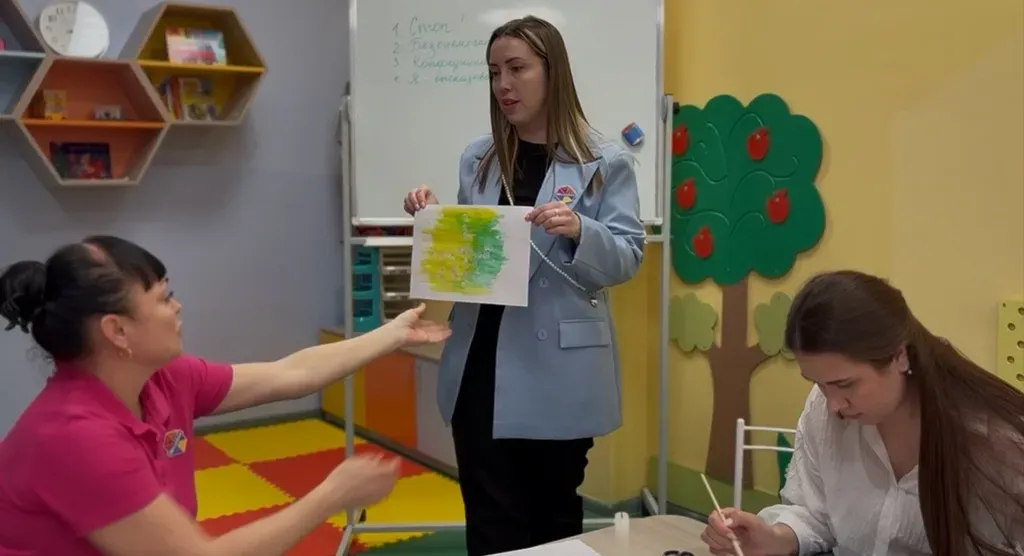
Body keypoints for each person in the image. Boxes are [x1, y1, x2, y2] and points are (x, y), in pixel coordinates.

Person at [0, 236, 451, 556]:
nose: (177, 307)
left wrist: (392, 334)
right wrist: (332, 495)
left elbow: (290, 374)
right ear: (117, 331)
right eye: (164, 298)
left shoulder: (164, 380)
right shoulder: (75, 437)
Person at [403, 15, 645, 556]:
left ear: (553, 72)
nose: (503, 85)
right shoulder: (478, 157)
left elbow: (627, 257)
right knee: (490, 520)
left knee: (553, 517)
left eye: (517, 69)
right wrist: (437, 220)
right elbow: (476, 260)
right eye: (494, 73)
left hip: (559, 369)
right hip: (480, 365)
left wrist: (581, 229)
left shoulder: (606, 162)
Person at [700, 270, 1024, 556]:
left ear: (899, 356)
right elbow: (815, 513)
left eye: (846, 384)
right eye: (818, 384)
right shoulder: (823, 408)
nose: (833, 405)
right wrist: (773, 538)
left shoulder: (992, 439)